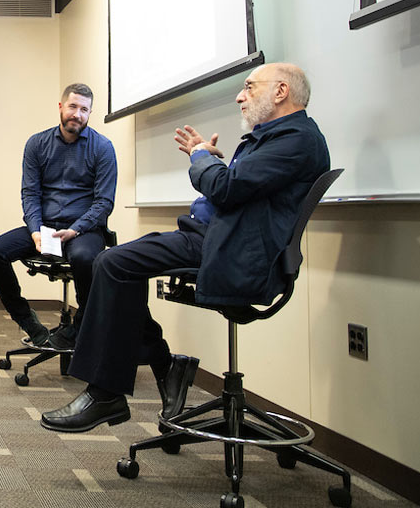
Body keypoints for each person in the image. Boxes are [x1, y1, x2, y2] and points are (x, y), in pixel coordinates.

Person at [40, 63, 329, 434]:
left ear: (281, 91)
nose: (241, 96)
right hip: (217, 237)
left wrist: (200, 158)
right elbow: (241, 189)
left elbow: (224, 189)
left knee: (111, 263)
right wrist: (211, 161)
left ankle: (107, 392)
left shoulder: (295, 139)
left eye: (249, 87)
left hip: (230, 250)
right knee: (116, 264)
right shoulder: (278, 137)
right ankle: (162, 366)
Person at [0, 83, 117, 350]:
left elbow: (104, 202)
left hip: (84, 230)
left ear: (90, 113)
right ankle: (29, 323)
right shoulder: (37, 144)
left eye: (84, 109)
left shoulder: (102, 148)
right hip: (44, 227)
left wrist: (75, 229)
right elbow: (30, 194)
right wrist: (34, 230)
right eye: (73, 106)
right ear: (61, 107)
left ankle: (79, 330)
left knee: (83, 257)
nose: (77, 114)